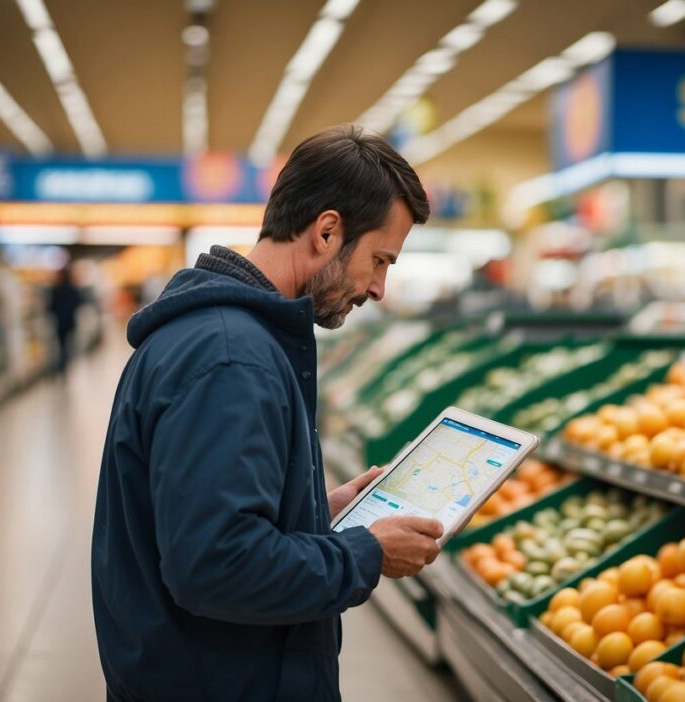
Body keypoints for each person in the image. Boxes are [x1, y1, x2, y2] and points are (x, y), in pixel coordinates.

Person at [91, 125, 441, 701]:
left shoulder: (216, 337)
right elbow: (216, 565)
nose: (379, 288)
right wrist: (366, 552)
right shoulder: (232, 357)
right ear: (327, 231)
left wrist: (310, 511)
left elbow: (200, 519)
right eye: (379, 260)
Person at [48, 266, 83, 376]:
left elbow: (51, 306)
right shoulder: (71, 288)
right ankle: (65, 362)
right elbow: (78, 302)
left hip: (61, 321)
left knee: (62, 344)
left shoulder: (56, 289)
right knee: (68, 344)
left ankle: (62, 364)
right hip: (69, 320)